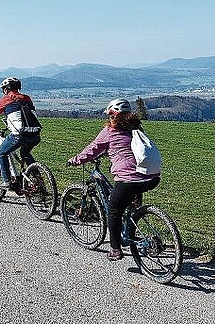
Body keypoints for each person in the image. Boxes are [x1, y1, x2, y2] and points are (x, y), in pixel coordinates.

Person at [67, 98, 161, 261]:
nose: (109, 118)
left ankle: (115, 248)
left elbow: (93, 149)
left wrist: (75, 160)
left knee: (113, 210)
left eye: (110, 115)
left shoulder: (109, 132)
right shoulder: (136, 127)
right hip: (151, 177)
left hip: (129, 180)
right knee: (131, 199)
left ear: (113, 115)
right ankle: (132, 225)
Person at [0, 77, 41, 188]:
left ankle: (6, 181)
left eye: (3, 89)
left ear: (6, 89)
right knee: (25, 154)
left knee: (2, 152)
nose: (3, 92)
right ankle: (39, 181)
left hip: (20, 135)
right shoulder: (27, 98)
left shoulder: (6, 99)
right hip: (35, 134)